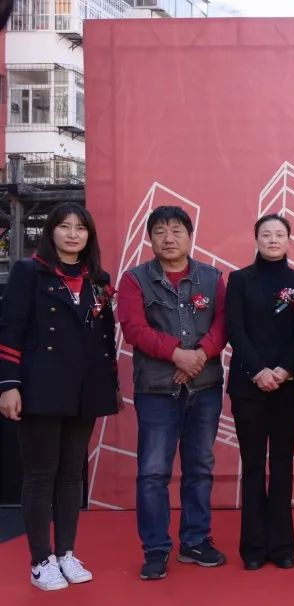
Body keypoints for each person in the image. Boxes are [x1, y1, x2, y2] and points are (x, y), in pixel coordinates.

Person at [0, 203, 120, 591]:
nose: (72, 234)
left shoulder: (98, 280)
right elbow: (10, 328)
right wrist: (8, 384)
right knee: (41, 475)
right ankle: (41, 561)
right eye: (64, 227)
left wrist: (108, 386)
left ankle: (66, 552)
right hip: (40, 387)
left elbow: (104, 336)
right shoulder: (29, 272)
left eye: (80, 228)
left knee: (71, 474)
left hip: (85, 389)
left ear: (89, 236)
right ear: (50, 231)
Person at [117, 205, 228, 580]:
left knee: (200, 467)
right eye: (160, 231)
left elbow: (223, 323)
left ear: (190, 236)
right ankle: (156, 548)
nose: (169, 238)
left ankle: (195, 541)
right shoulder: (135, 280)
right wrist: (177, 354)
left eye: (177, 230)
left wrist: (200, 355)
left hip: (205, 387)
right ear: (150, 238)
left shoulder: (212, 278)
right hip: (156, 390)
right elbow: (134, 328)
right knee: (153, 472)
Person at [225, 214, 294, 571]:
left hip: (288, 387)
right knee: (254, 464)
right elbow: (234, 328)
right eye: (266, 234)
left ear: (289, 240)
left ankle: (283, 545)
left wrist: (285, 369)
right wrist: (258, 370)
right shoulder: (239, 279)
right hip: (249, 386)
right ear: (256, 239)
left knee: (283, 463)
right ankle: (253, 546)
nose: (273, 240)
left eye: (279, 234)